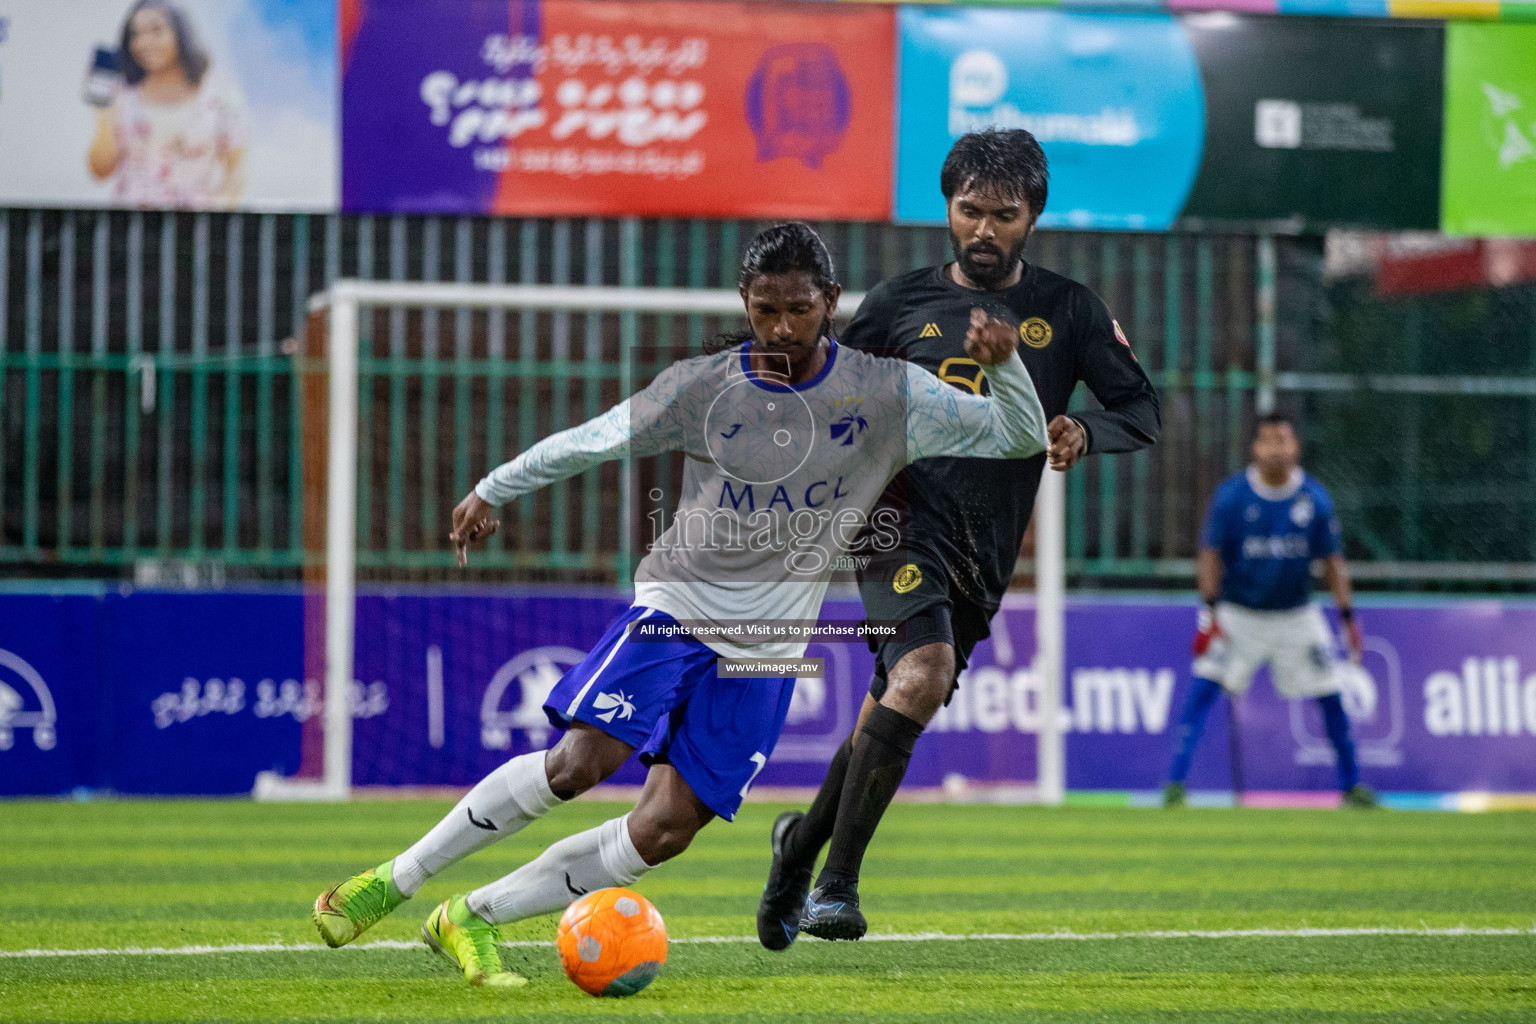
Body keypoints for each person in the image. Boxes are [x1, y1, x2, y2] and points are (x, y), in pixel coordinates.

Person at [311, 222, 1048, 987]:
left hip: (767, 644)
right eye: (766, 310)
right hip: (681, 605)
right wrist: (493, 488)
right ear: (746, 302)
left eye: (799, 309)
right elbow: (591, 440)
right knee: (581, 762)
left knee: (665, 830)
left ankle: (470, 918)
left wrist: (1009, 368)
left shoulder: (888, 393)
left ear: (830, 301)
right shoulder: (703, 387)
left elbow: (1017, 437)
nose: (782, 328)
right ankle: (388, 882)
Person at [758, 128, 1162, 948]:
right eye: (969, 210)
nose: (983, 228)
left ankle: (797, 849)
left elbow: (1142, 411)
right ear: (947, 208)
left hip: (986, 549)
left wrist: (1082, 429)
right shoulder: (900, 305)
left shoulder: (1070, 310)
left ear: (1033, 216)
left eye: (1003, 215)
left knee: (900, 695)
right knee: (923, 671)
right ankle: (836, 886)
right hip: (896, 522)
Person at [1162, 412, 1377, 810]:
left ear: (1295, 447)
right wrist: (1208, 615)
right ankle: (1175, 785)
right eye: (1269, 441)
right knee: (1200, 692)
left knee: (1331, 697)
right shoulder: (1231, 497)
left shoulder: (1314, 498)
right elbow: (1210, 556)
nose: (1277, 449)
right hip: (1238, 615)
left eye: (1284, 441)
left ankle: (1352, 787)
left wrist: (1347, 618)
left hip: (1296, 616)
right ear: (1256, 448)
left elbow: (1333, 562)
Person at [87, 0, 247, 209]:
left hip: (192, 229)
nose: (145, 42)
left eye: (156, 30)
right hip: (130, 229)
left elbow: (237, 169)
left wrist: (215, 212)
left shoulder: (219, 94)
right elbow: (100, 171)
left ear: (181, 34)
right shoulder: (123, 93)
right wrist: (105, 122)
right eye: (135, 35)